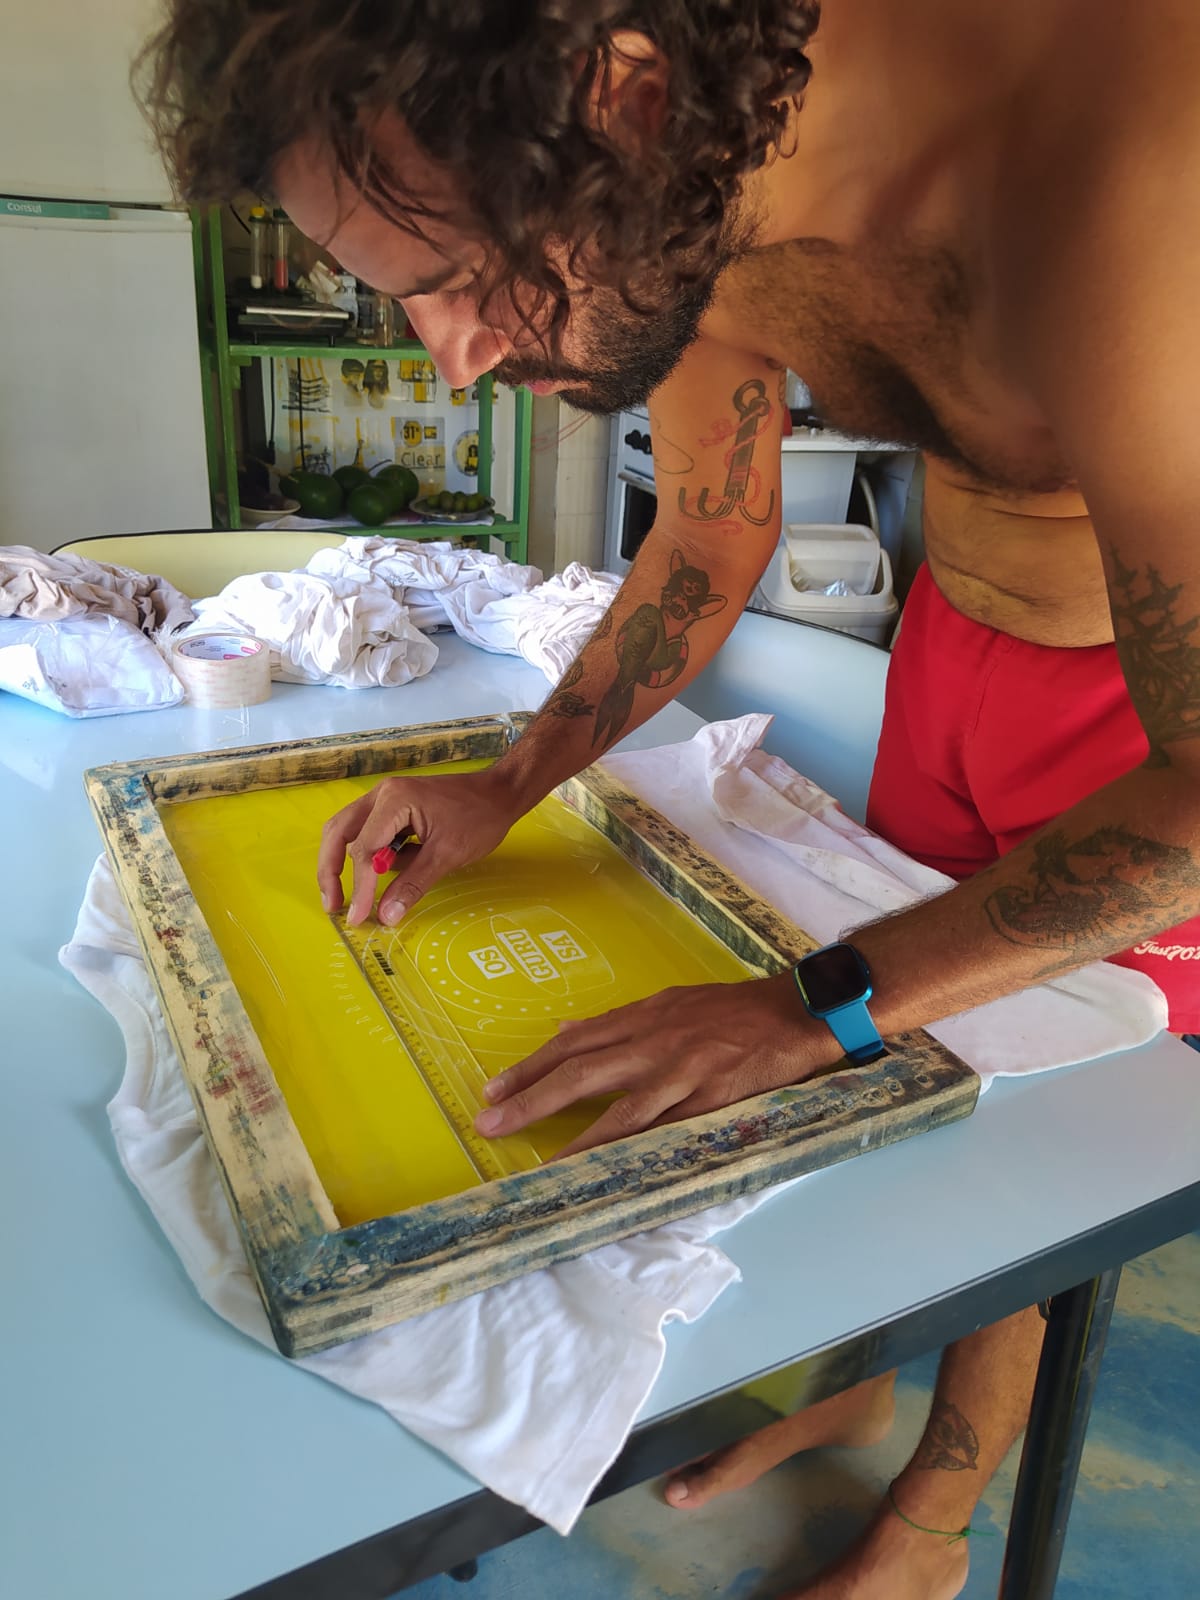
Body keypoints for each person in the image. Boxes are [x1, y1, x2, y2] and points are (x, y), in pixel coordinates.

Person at [140, 4, 1200, 1596]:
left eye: (453, 276)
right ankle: (853, 1393)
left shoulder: (1132, 169)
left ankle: (938, 1516)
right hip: (951, 654)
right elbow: (707, 536)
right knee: (913, 1098)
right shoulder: (689, 177)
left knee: (1039, 1154)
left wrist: (805, 1004)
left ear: (618, 95)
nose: (454, 358)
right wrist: (511, 781)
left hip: (1145, 729)